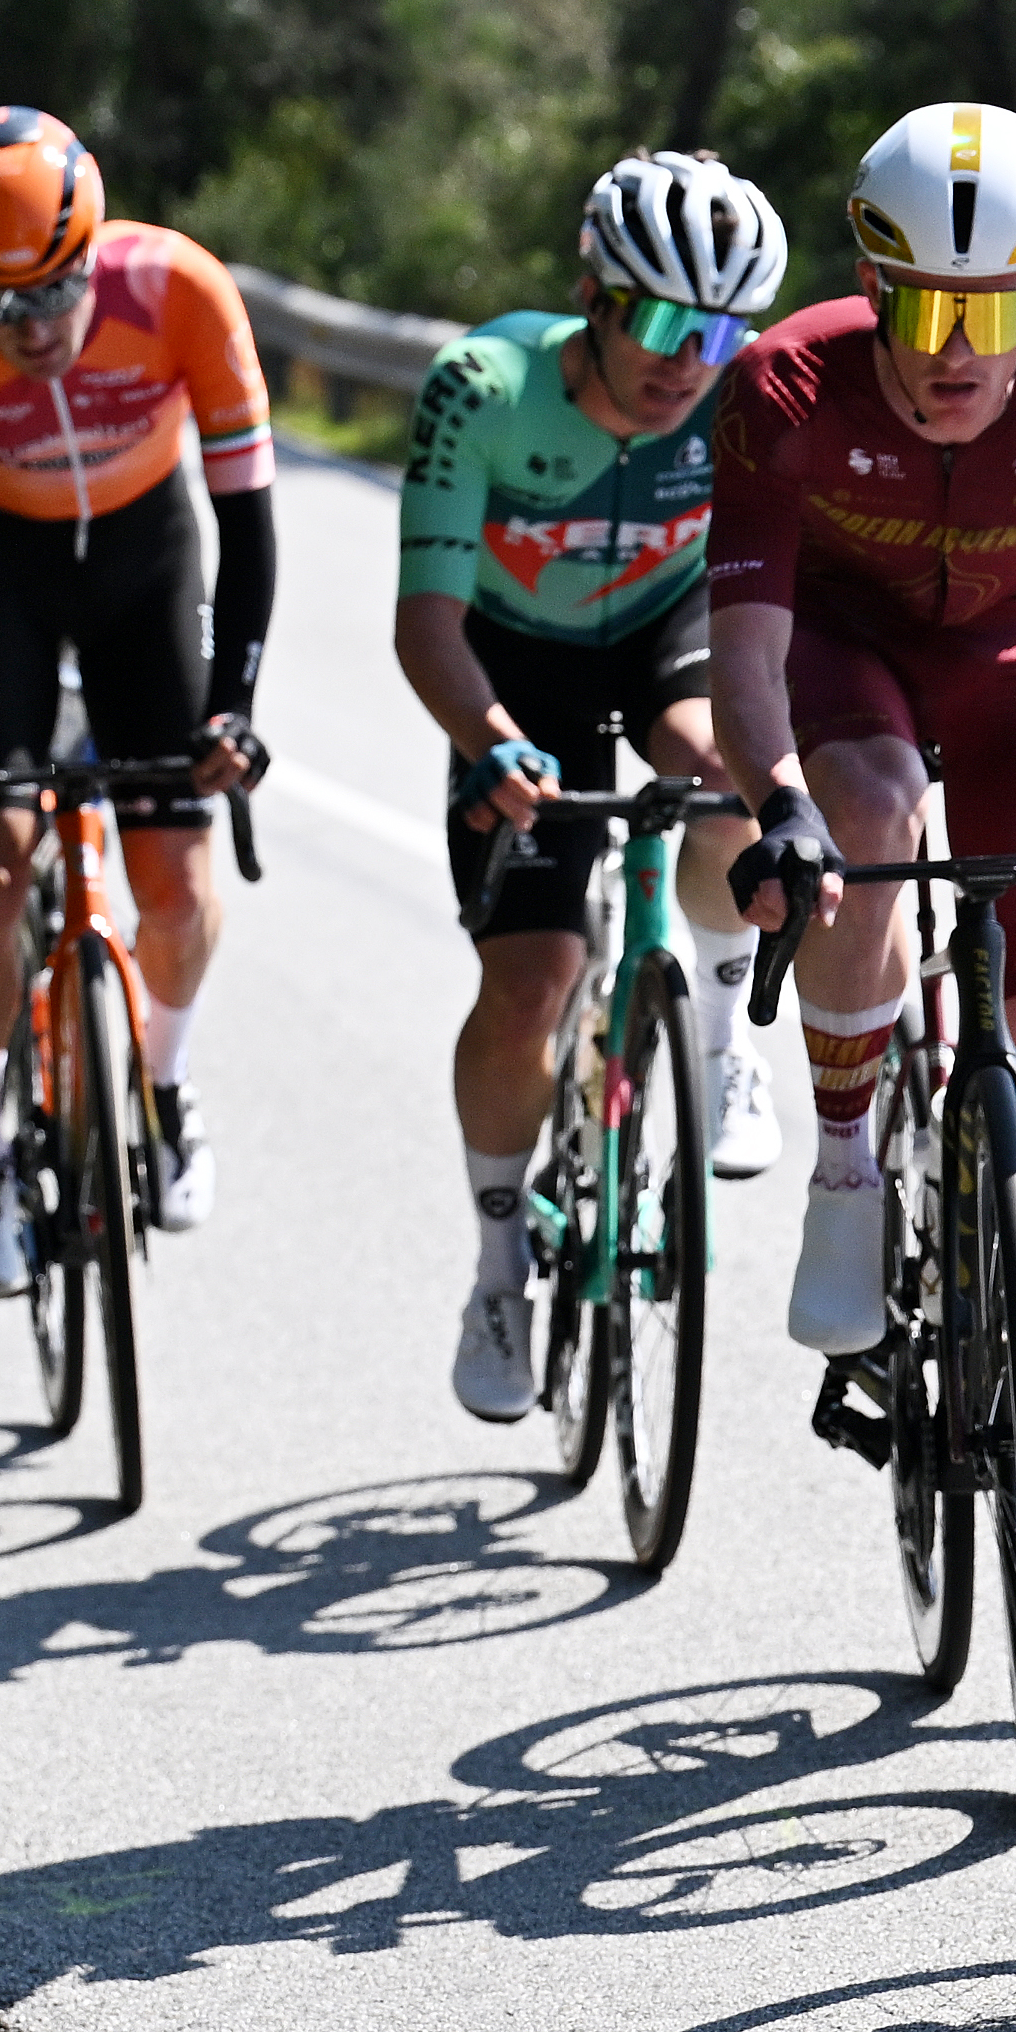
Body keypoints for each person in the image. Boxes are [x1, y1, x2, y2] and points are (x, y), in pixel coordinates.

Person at [0, 109, 279, 1290]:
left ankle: (166, 1087)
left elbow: (245, 520)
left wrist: (232, 705)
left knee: (175, 885)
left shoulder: (179, 288)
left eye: (53, 292)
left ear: (93, 250)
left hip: (145, 563)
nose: (31, 329)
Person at [398, 151, 789, 1421]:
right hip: (518, 664)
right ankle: (497, 1265)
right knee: (530, 982)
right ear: (594, 298)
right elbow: (426, 620)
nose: (689, 361)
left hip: (664, 630)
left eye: (717, 332)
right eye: (664, 324)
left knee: (724, 773)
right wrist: (489, 741)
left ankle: (721, 1042)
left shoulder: (745, 398)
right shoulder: (483, 386)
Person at [710, 101, 1016, 1355]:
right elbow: (743, 649)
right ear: (873, 289)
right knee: (869, 811)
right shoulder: (784, 384)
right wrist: (779, 804)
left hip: (1011, 653)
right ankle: (843, 1168)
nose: (957, 354)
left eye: (990, 315)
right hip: (845, 647)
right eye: (927, 313)